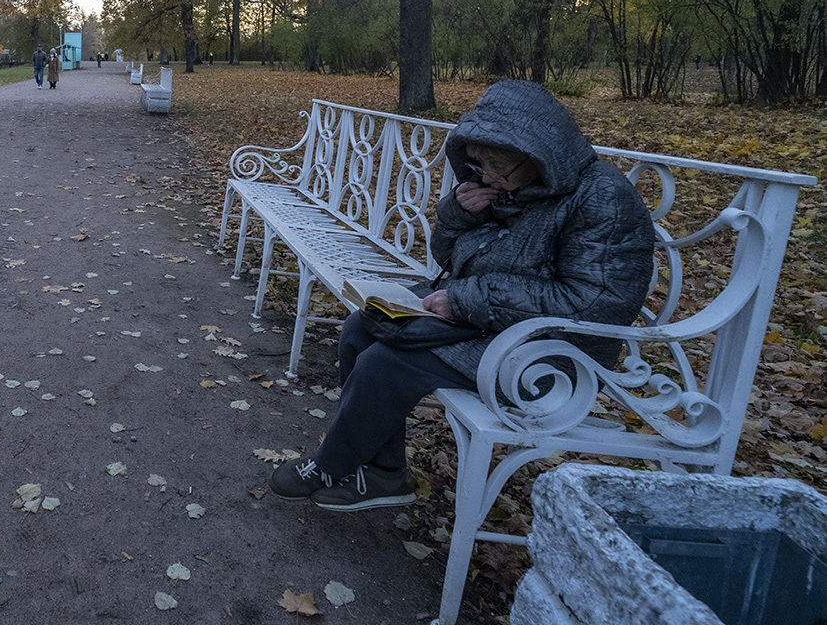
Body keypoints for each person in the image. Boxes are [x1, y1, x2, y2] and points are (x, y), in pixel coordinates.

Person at [269, 80, 655, 511]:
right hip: (486, 323)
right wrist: (457, 214)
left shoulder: (603, 198)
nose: (486, 176)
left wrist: (467, 298)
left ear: (536, 154)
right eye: (478, 163)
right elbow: (447, 258)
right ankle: (385, 471)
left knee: (387, 363)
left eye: (496, 166)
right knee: (361, 327)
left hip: (548, 356)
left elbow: (593, 301)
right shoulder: (514, 187)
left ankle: (330, 465)